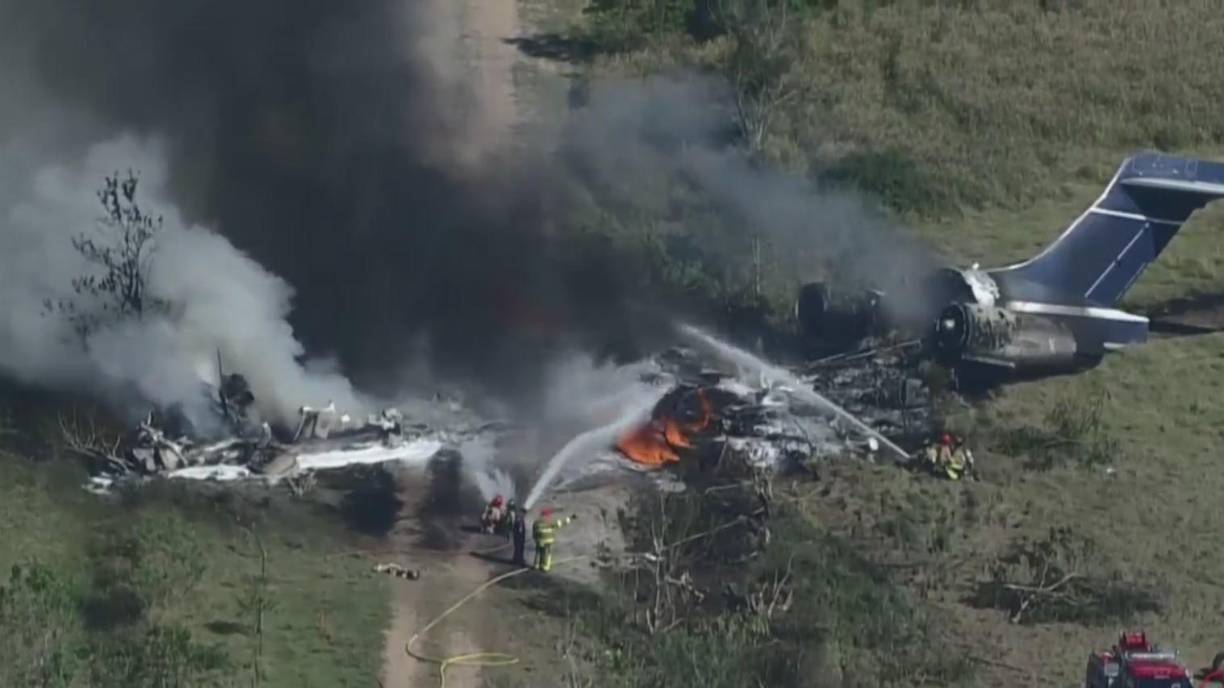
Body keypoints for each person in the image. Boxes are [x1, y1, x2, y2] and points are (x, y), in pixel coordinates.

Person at [532, 508, 577, 572]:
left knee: (538, 553)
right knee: (547, 554)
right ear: (547, 516)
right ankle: (545, 567)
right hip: (547, 541)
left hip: (539, 541)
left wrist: (535, 539)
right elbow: (561, 523)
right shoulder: (550, 523)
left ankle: (536, 565)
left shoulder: (536, 523)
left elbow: (534, 532)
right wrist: (571, 518)